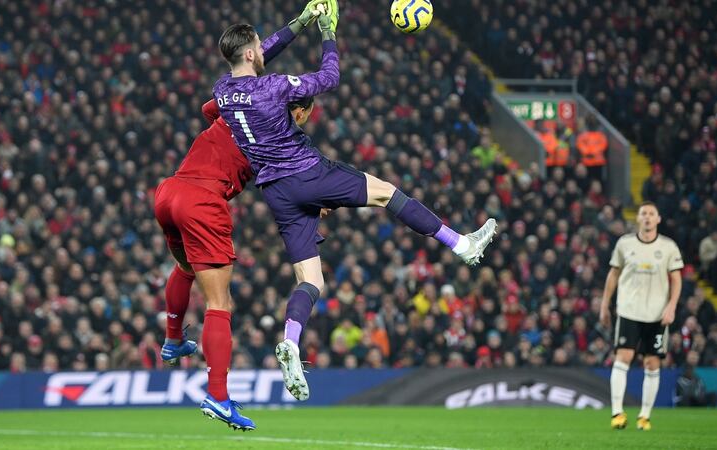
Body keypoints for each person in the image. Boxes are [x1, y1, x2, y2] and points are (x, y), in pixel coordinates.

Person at [212, 0, 497, 402]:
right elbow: (329, 76)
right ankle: (462, 245)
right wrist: (327, 29)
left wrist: (301, 20)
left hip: (275, 191)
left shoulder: (222, 91)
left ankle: (291, 342)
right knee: (387, 193)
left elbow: (263, 54)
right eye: (258, 46)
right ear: (249, 52)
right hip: (307, 172)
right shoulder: (273, 86)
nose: (264, 49)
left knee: (311, 281)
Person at [154, 0, 327, 429]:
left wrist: (299, 23)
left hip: (169, 191)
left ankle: (173, 341)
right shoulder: (272, 131)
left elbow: (250, 61)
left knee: (184, 268)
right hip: (201, 202)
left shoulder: (228, 103)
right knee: (219, 304)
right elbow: (291, 180)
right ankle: (218, 397)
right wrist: (309, 27)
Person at [600, 201, 683, 430]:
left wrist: (671, 307)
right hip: (629, 310)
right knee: (623, 357)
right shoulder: (625, 244)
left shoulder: (668, 247)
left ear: (658, 219)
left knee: (652, 363)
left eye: (651, 214)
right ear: (638, 219)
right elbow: (613, 274)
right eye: (643, 213)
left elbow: (676, 279)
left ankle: (644, 416)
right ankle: (617, 413)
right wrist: (604, 305)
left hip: (657, 314)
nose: (647, 217)